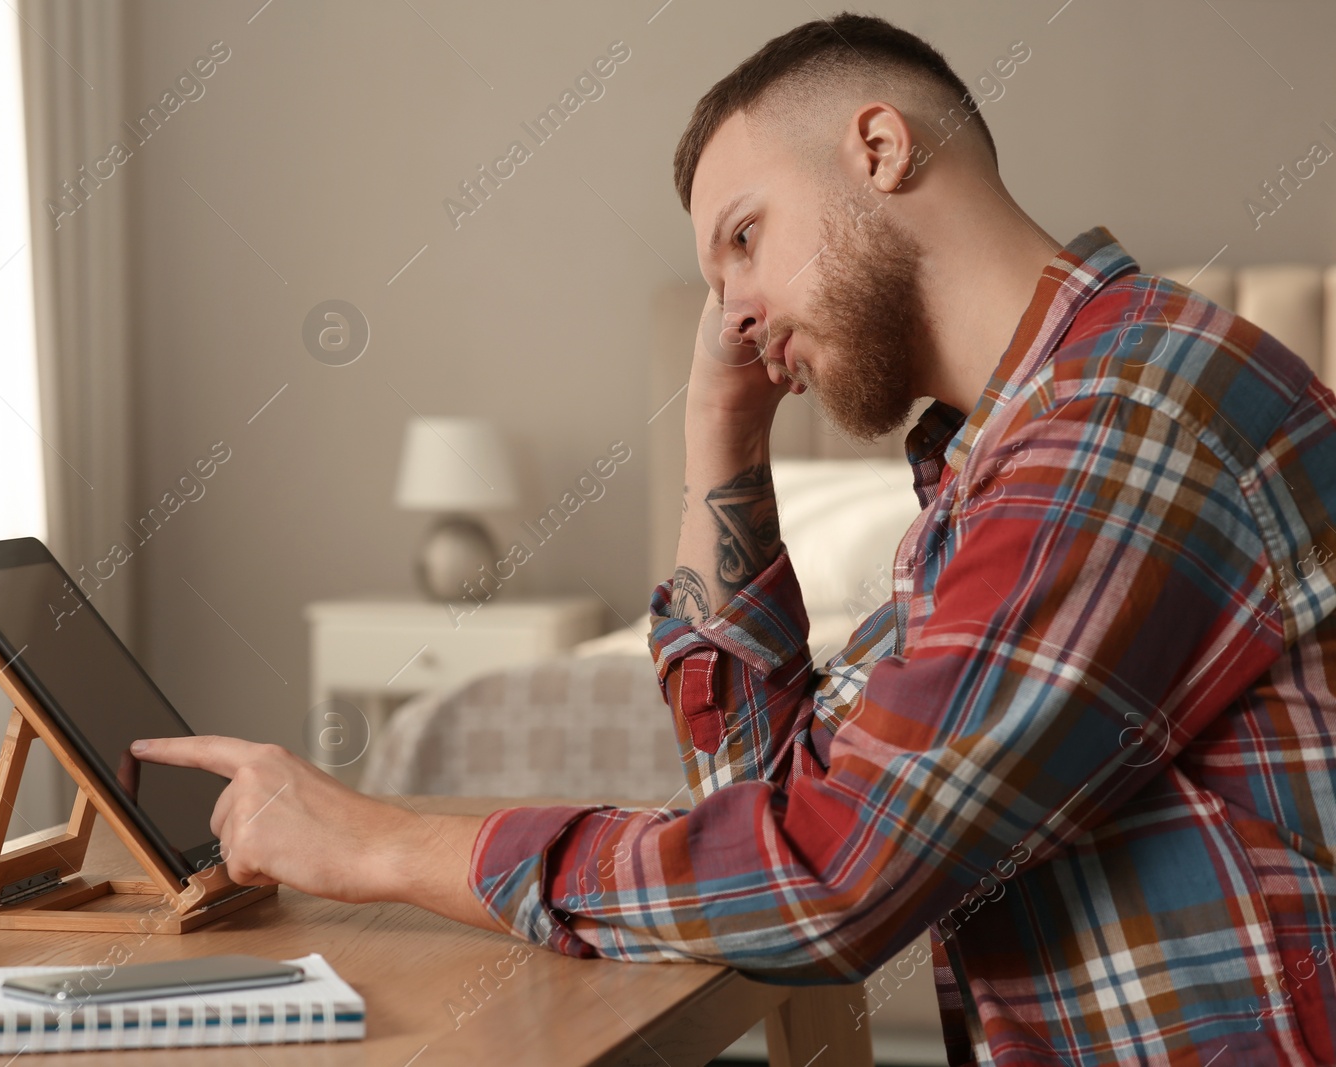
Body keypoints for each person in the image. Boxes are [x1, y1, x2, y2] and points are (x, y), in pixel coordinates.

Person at [134, 14, 1336, 1065]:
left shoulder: (1124, 422)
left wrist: (384, 839)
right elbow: (758, 807)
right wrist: (718, 417)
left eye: (745, 237)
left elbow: (828, 878)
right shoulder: (1007, 464)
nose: (733, 310)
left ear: (878, 149)